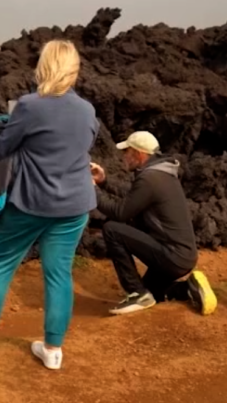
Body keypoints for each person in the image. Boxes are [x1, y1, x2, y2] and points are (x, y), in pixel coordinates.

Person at [0, 40, 98, 371]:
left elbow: (6, 146)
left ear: (44, 66)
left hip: (31, 202)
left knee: (1, 264)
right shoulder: (87, 110)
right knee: (58, 273)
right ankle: (53, 349)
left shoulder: (29, 105)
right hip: (75, 205)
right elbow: (84, 144)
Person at [90, 132, 216, 316]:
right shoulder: (160, 173)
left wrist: (92, 189)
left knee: (112, 229)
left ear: (139, 154)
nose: (124, 157)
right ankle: (187, 289)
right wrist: (104, 182)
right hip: (182, 256)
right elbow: (134, 195)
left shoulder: (150, 178)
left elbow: (120, 212)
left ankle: (136, 293)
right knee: (153, 293)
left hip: (171, 256)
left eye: (127, 152)